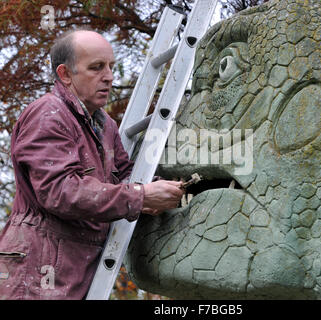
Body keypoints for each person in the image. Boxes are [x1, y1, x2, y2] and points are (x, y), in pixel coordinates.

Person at [0, 29, 184, 300]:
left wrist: (154, 191)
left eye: (110, 65)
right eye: (96, 67)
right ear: (65, 74)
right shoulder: (48, 115)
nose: (109, 76)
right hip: (39, 270)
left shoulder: (104, 124)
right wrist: (140, 196)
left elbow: (124, 174)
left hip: (77, 265)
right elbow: (60, 191)